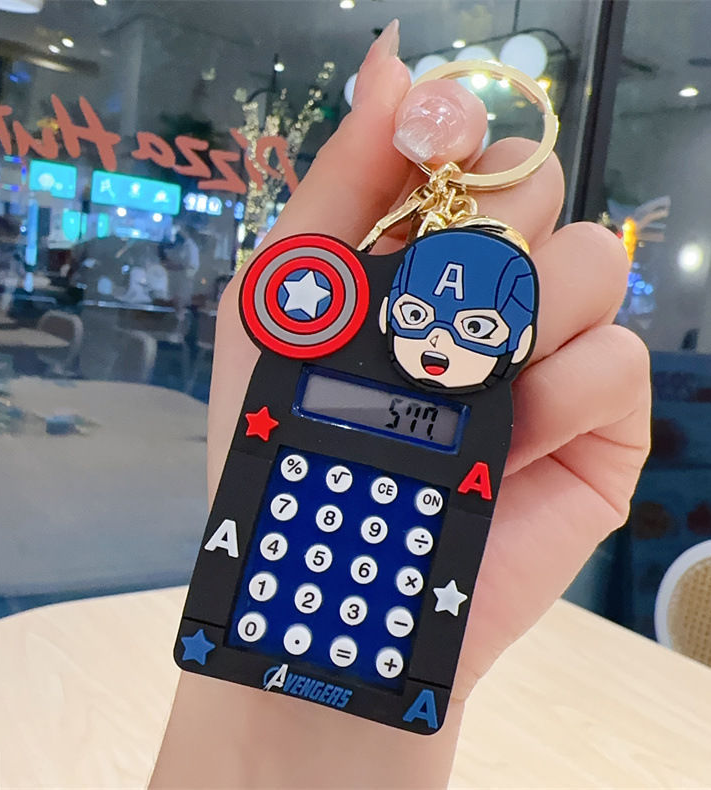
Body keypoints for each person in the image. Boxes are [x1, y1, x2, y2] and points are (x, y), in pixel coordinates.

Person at [151, 20, 650, 788]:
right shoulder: (313, 331)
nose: (441, 346)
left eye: (477, 331)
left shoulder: (476, 408)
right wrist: (251, 740)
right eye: (417, 318)